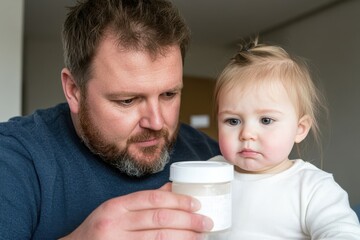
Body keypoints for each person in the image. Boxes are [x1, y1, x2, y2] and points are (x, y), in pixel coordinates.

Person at [0, 0, 221, 239]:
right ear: (74, 90)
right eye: (127, 100)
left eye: (169, 94)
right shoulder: (14, 158)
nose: (157, 122)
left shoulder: (211, 156)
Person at [211, 39, 360, 239]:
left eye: (266, 120)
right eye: (233, 121)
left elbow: (341, 231)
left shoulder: (312, 187)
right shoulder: (210, 173)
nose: (247, 133)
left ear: (299, 129)